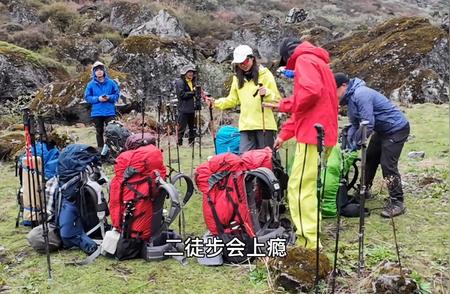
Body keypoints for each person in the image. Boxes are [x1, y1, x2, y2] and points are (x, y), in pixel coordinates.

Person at [264, 38, 338, 249]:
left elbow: (309, 94)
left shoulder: (305, 60)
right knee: (308, 186)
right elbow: (307, 108)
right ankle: (312, 232)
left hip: (312, 136)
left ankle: (308, 241)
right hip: (322, 134)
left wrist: (282, 104)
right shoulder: (320, 64)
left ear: (289, 57)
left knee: (298, 189)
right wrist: (284, 135)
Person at [334, 72, 410, 217]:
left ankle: (397, 202)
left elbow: (367, 125)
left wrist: (354, 146)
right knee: (370, 159)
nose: (335, 95)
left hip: (396, 129)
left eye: (335, 91)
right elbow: (356, 125)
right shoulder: (351, 99)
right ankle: (364, 191)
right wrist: (348, 145)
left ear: (344, 85)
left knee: (387, 165)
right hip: (382, 131)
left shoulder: (361, 94)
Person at [206, 45, 281, 153]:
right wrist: (215, 103)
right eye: (240, 63)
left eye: (245, 61)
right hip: (246, 126)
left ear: (252, 59)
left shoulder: (265, 75)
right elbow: (232, 100)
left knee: (266, 158)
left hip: (265, 125)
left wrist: (267, 93)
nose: (243, 65)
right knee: (245, 159)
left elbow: (277, 100)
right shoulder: (237, 79)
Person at [84, 61, 120, 149]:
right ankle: (100, 151)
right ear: (94, 72)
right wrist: (98, 99)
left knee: (112, 132)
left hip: (109, 112)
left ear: (104, 71)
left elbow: (117, 95)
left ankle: (111, 150)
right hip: (97, 113)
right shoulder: (90, 85)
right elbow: (87, 97)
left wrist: (109, 97)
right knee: (99, 132)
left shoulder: (111, 83)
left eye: (101, 69)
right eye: (96, 70)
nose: (99, 71)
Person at [175, 64, 197, 146]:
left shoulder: (192, 82)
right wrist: (193, 93)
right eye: (189, 72)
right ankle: (179, 144)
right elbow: (181, 95)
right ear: (185, 73)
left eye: (192, 72)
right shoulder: (180, 82)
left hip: (192, 108)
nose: (191, 74)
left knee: (192, 127)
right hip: (183, 108)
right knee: (181, 128)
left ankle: (192, 143)